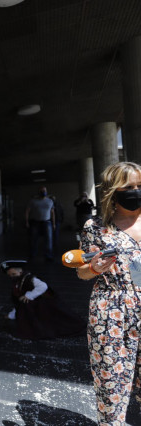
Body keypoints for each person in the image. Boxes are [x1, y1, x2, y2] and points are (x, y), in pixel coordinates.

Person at [76, 161, 141, 425]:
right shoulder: (95, 227)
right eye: (128, 186)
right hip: (111, 310)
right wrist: (93, 267)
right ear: (113, 190)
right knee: (111, 382)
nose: (135, 191)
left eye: (140, 185)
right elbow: (81, 272)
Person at [0, 260, 85, 340]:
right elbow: (18, 302)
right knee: (25, 307)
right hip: (31, 306)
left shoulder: (30, 279)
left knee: (54, 321)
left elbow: (43, 286)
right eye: (10, 275)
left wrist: (29, 295)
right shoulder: (17, 282)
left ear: (20, 272)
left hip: (42, 304)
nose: (12, 277)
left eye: (14, 274)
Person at [25, 186, 55, 261]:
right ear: (39, 192)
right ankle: (32, 254)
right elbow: (27, 211)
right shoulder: (33, 201)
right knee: (33, 240)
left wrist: (53, 223)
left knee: (48, 240)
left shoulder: (50, 201)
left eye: (44, 190)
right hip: (35, 223)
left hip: (47, 222)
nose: (43, 192)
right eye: (42, 191)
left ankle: (48, 256)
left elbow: (52, 213)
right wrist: (27, 222)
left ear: (46, 191)